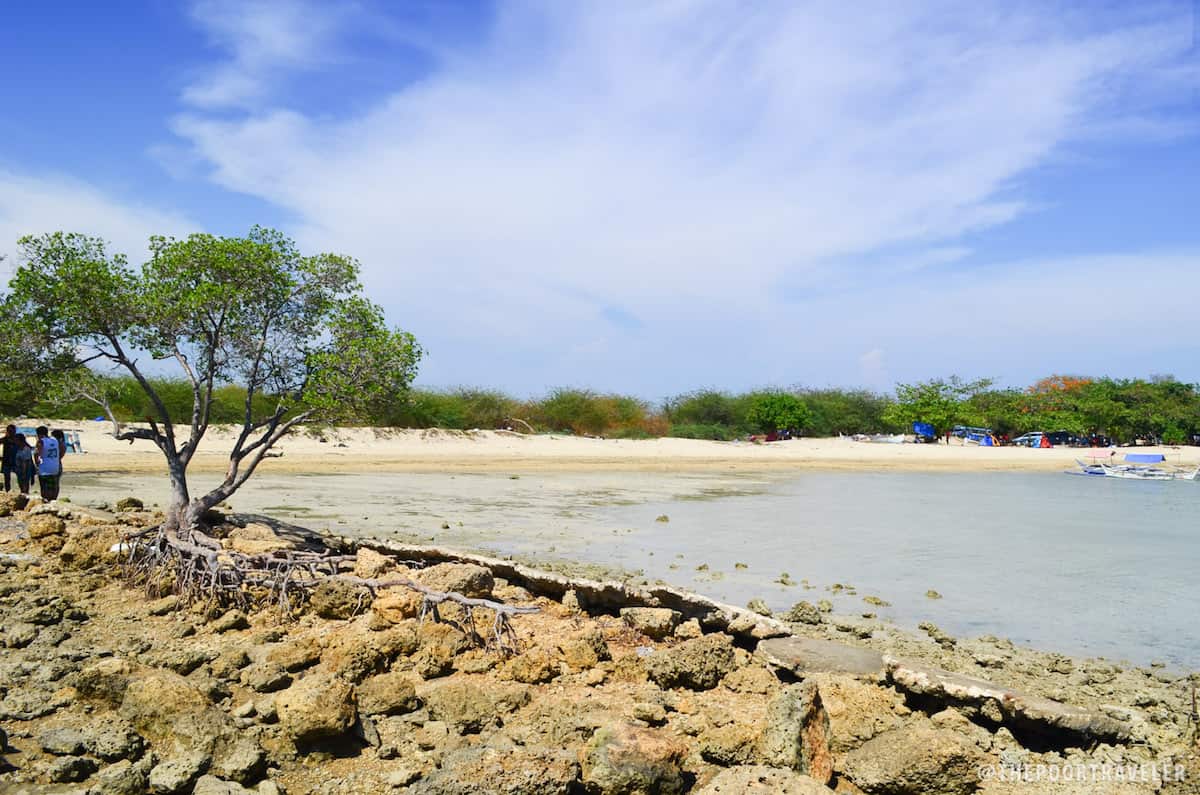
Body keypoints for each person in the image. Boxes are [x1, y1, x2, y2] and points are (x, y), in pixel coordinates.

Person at [34, 426, 61, 501]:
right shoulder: (54, 440)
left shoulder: (41, 441)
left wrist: (37, 463)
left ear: (39, 434)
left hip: (45, 468)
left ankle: (45, 501)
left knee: (44, 486)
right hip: (55, 466)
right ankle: (53, 501)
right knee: (53, 486)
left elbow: (36, 453)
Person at [1, 424, 19, 491]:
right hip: (7, 460)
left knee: (20, 477)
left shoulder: (17, 438)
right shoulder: (5, 439)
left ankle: (23, 491)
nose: (11, 432)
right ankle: (8, 491)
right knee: (7, 478)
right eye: (9, 431)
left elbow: (26, 446)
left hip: (16, 460)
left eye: (12, 431)